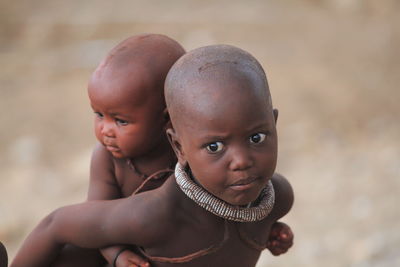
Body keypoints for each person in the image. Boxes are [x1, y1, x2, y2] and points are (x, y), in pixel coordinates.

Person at [11, 44, 294, 267]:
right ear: (178, 147)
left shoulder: (277, 198)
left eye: (256, 138)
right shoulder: (156, 216)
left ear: (274, 124)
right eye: (214, 147)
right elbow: (57, 224)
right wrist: (118, 254)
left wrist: (268, 230)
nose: (242, 161)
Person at [52, 33, 185, 267]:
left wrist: (264, 228)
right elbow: (95, 221)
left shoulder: (187, 152)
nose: (106, 130)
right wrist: (117, 255)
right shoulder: (106, 158)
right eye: (99, 115)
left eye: (121, 121)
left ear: (167, 119)